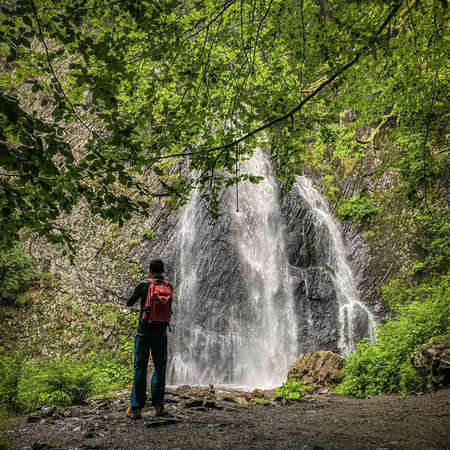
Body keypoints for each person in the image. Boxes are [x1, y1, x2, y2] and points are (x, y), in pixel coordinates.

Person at [125, 259, 173, 420]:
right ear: (163, 270)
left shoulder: (143, 285)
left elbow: (129, 302)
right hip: (161, 333)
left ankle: (136, 408)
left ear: (150, 270)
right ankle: (159, 406)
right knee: (160, 367)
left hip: (144, 332)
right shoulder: (168, 286)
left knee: (140, 368)